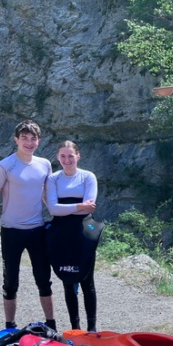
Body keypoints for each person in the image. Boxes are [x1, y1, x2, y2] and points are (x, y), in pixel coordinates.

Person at [0, 120, 56, 331]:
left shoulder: (44, 164)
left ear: (39, 141)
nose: (29, 142)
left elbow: (46, 197)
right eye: (24, 138)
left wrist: (64, 216)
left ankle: (51, 324)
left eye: (33, 139)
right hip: (11, 231)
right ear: (16, 139)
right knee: (10, 281)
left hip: (37, 230)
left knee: (44, 279)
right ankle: (9, 326)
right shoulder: (4, 166)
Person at [45, 140, 100, 332]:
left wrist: (66, 208)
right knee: (67, 280)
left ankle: (92, 329)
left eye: (70, 155)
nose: (67, 160)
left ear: (78, 156)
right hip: (61, 233)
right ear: (58, 157)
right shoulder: (53, 179)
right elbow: (52, 209)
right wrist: (78, 206)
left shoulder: (88, 177)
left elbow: (89, 208)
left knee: (87, 281)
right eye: (62, 156)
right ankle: (75, 328)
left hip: (83, 231)